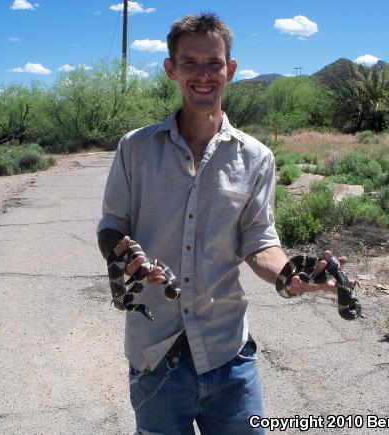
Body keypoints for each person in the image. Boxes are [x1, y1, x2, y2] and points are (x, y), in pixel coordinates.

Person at [97, 12, 345, 435]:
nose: (203, 74)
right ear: (171, 69)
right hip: (155, 356)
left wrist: (289, 275)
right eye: (190, 63)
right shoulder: (135, 148)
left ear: (230, 69)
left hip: (228, 354)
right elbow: (111, 223)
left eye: (213, 62)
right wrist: (123, 255)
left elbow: (260, 242)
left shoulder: (257, 158)